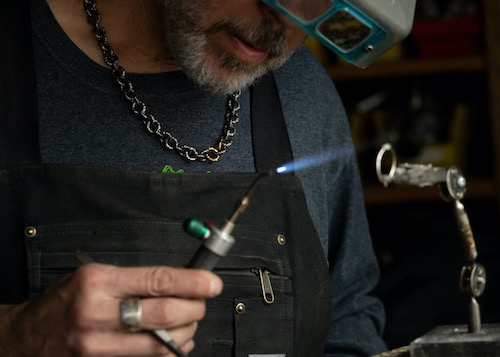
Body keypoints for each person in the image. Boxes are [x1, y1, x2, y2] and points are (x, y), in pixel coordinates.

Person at [0, 0, 387, 356]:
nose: (283, 22)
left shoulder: (302, 90)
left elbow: (348, 317)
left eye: (315, 4)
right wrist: (16, 335)